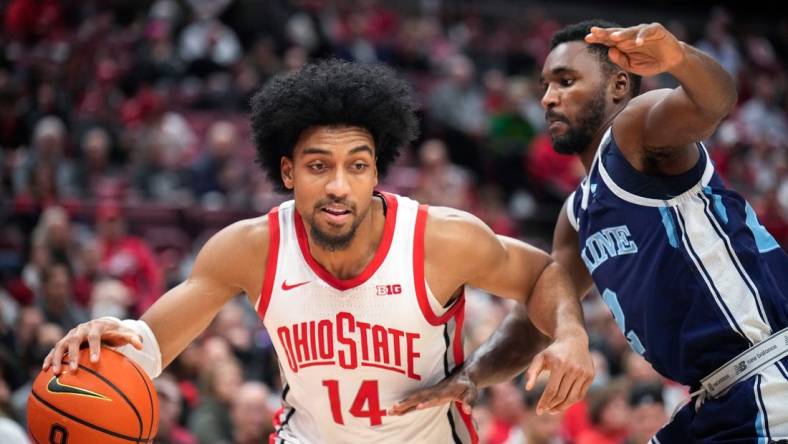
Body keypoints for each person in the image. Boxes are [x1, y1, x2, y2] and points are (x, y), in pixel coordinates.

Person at [43, 59, 594, 443]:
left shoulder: (438, 240)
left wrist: (569, 332)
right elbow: (149, 346)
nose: (338, 185)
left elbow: (543, 273)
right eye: (317, 166)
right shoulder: (249, 249)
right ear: (287, 172)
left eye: (357, 165)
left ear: (376, 171)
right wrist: (106, 345)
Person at [395, 20, 788, 442]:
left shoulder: (636, 130)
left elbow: (715, 101)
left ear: (619, 86)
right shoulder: (577, 214)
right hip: (713, 399)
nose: (548, 98)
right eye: (545, 85)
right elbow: (537, 317)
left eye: (565, 81)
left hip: (769, 372)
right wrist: (473, 375)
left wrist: (678, 58)